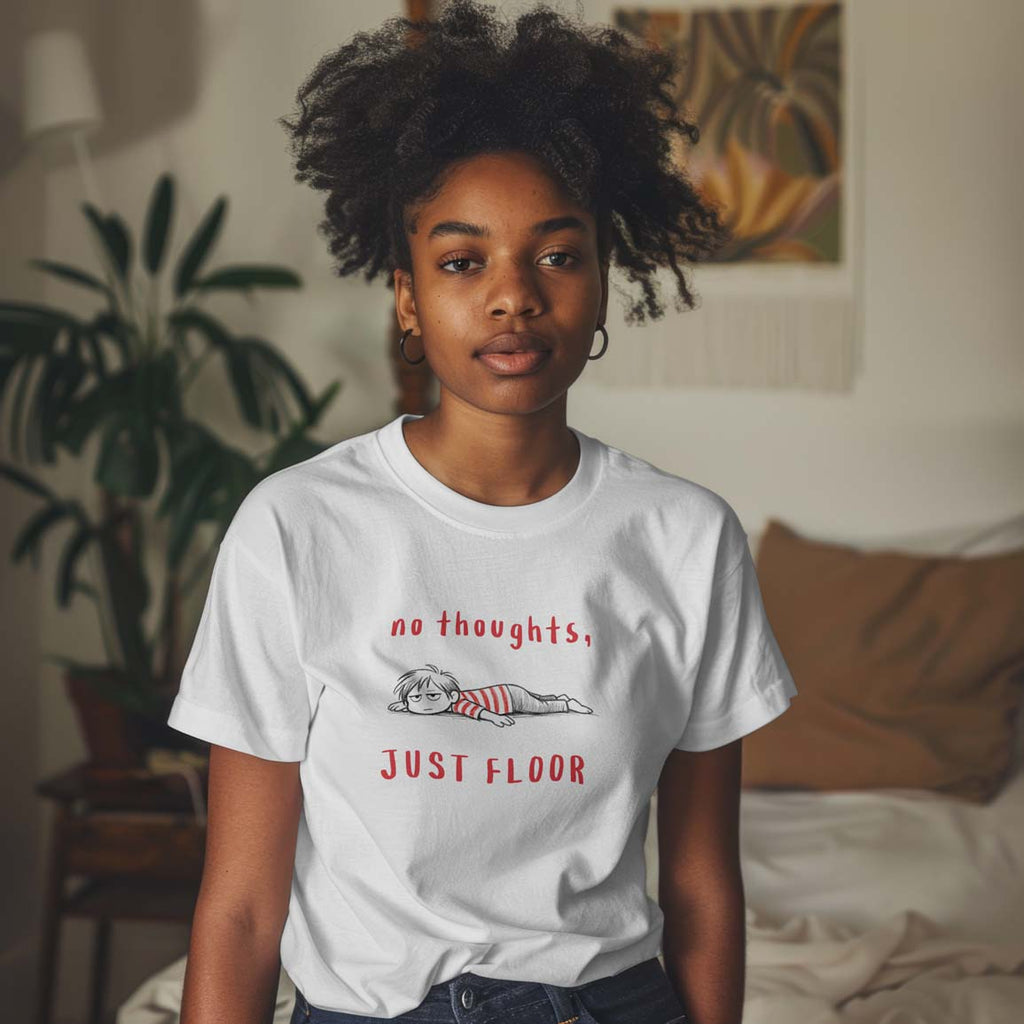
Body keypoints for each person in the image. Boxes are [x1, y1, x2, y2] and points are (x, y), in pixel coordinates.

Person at [166, 3, 799, 1023]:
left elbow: (700, 886)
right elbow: (240, 909)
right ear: (407, 297)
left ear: (603, 284)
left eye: (557, 256)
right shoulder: (296, 528)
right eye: (463, 262)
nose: (514, 298)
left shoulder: (686, 538)